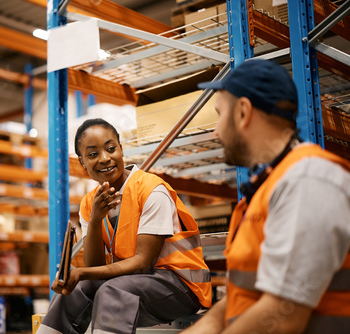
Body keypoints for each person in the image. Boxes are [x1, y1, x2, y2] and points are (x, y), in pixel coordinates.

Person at [181, 58, 350, 334]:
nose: (215, 130)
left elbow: (283, 316)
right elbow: (239, 298)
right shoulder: (267, 188)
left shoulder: (308, 181)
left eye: (219, 114)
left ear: (243, 113)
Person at [37, 118, 212, 334]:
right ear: (82, 162)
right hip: (133, 283)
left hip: (181, 287)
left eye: (111, 149)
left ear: (121, 149)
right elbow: (94, 267)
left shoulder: (151, 190)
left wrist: (81, 272)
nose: (105, 159)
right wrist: (94, 220)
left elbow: (142, 263)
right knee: (73, 291)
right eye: (92, 154)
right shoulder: (90, 203)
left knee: (112, 291)